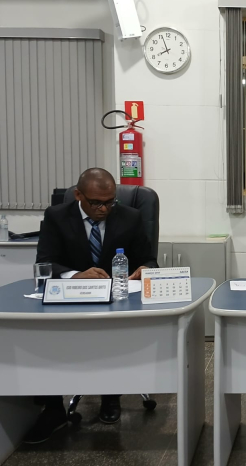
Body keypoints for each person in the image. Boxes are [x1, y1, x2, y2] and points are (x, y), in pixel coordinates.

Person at [26, 168, 158, 444]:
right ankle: (53, 409)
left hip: (116, 301)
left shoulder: (130, 217)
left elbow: (148, 259)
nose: (104, 209)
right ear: (78, 195)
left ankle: (110, 395)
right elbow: (45, 262)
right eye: (96, 203)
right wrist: (75, 275)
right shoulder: (57, 216)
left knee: (112, 333)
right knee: (40, 338)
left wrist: (145, 269)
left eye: (110, 202)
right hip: (70, 299)